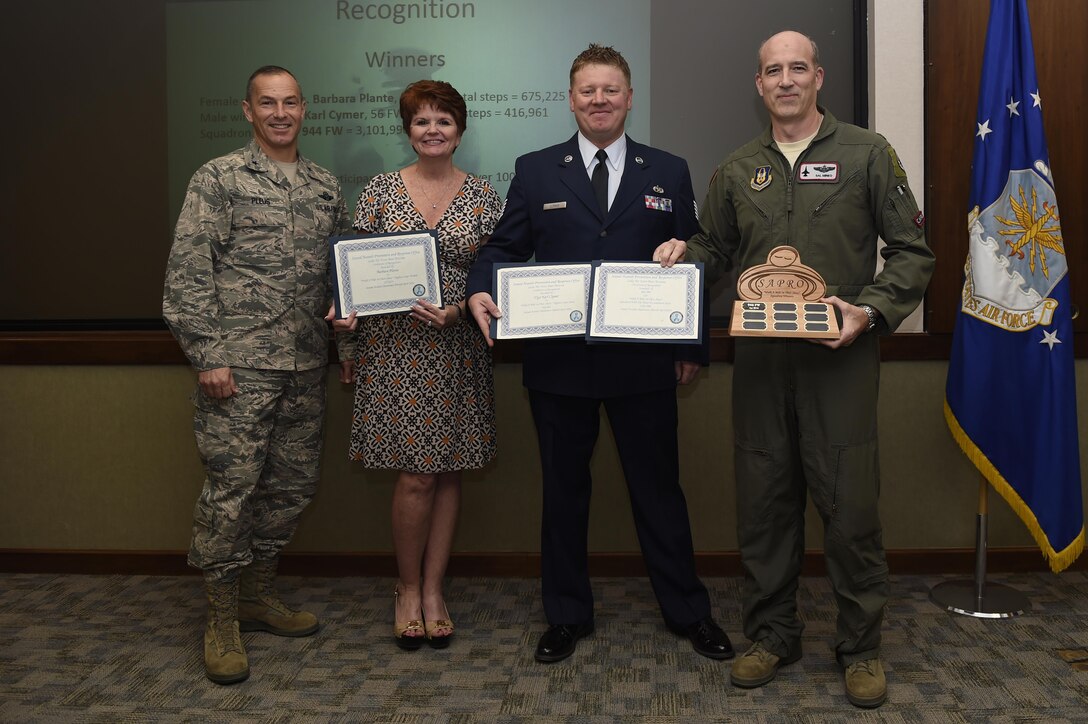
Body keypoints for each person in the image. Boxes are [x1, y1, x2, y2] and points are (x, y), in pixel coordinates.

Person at [654, 31, 935, 708]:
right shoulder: (735, 168)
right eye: (772, 70)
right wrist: (678, 254)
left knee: (851, 508)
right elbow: (713, 249)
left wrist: (867, 312)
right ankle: (771, 635)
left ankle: (859, 646)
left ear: (819, 78)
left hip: (837, 362)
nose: (785, 80)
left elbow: (911, 254)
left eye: (797, 68)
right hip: (758, 364)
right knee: (765, 503)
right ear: (759, 84)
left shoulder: (868, 154)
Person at [465, 44, 733, 663]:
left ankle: (689, 612)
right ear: (571, 98)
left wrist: (691, 343)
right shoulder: (535, 170)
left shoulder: (667, 168)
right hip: (559, 366)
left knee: (660, 492)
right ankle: (566, 615)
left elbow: (690, 258)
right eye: (587, 90)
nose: (599, 100)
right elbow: (503, 248)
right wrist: (481, 287)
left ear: (630, 97)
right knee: (563, 493)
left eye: (610, 90)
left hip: (644, 365)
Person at [163, 65, 351, 684]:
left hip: (303, 364)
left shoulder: (325, 186)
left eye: (290, 102)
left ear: (305, 108)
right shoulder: (218, 178)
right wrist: (208, 356)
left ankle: (256, 596)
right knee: (232, 491)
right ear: (247, 111)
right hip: (238, 367)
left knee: (290, 488)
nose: (279, 113)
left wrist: (345, 333)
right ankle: (220, 617)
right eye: (266, 103)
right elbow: (189, 274)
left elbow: (339, 278)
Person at [336, 80, 503, 650]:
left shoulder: (484, 196)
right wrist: (347, 346)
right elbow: (351, 275)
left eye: (444, 121)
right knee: (416, 475)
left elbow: (492, 274)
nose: (433, 130)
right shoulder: (380, 191)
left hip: (456, 348)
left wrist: (458, 309)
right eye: (421, 121)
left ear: (460, 130)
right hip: (395, 351)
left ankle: (435, 590)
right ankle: (406, 589)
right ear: (407, 130)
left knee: (450, 469)